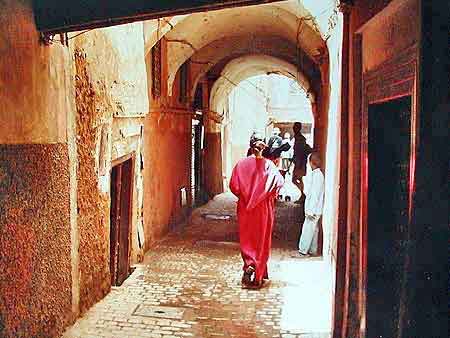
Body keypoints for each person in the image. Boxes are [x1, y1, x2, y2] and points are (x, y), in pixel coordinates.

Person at [230, 133, 285, 289]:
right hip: (263, 209)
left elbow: (234, 186)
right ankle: (258, 275)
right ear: (264, 146)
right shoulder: (270, 166)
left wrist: (245, 196)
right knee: (261, 240)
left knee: (247, 238)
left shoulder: (241, 164)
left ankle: (249, 263)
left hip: (245, 209)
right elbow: (278, 184)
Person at [296, 152, 324, 256]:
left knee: (307, 229)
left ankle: (303, 251)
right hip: (316, 208)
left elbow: (315, 195)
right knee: (314, 230)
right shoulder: (317, 175)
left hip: (314, 209)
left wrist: (310, 210)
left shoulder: (317, 176)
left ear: (312, 163)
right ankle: (313, 250)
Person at [292, 122, 313, 201]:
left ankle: (303, 195)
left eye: (295, 127)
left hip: (300, 163)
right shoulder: (298, 137)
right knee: (299, 179)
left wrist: (298, 162)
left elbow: (300, 152)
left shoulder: (300, 138)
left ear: (298, 128)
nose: (294, 129)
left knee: (295, 179)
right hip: (298, 162)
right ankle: (302, 195)